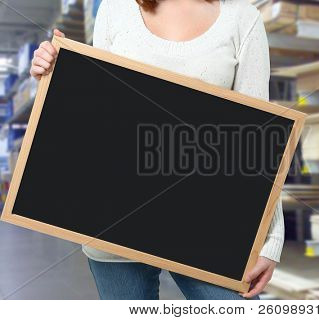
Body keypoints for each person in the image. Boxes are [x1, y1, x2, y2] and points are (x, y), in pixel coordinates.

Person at [30, 0, 284, 300]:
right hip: (115, 220)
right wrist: (59, 74)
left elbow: (258, 136)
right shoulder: (115, 10)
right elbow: (98, 116)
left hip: (207, 227)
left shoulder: (242, 19)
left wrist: (270, 241)